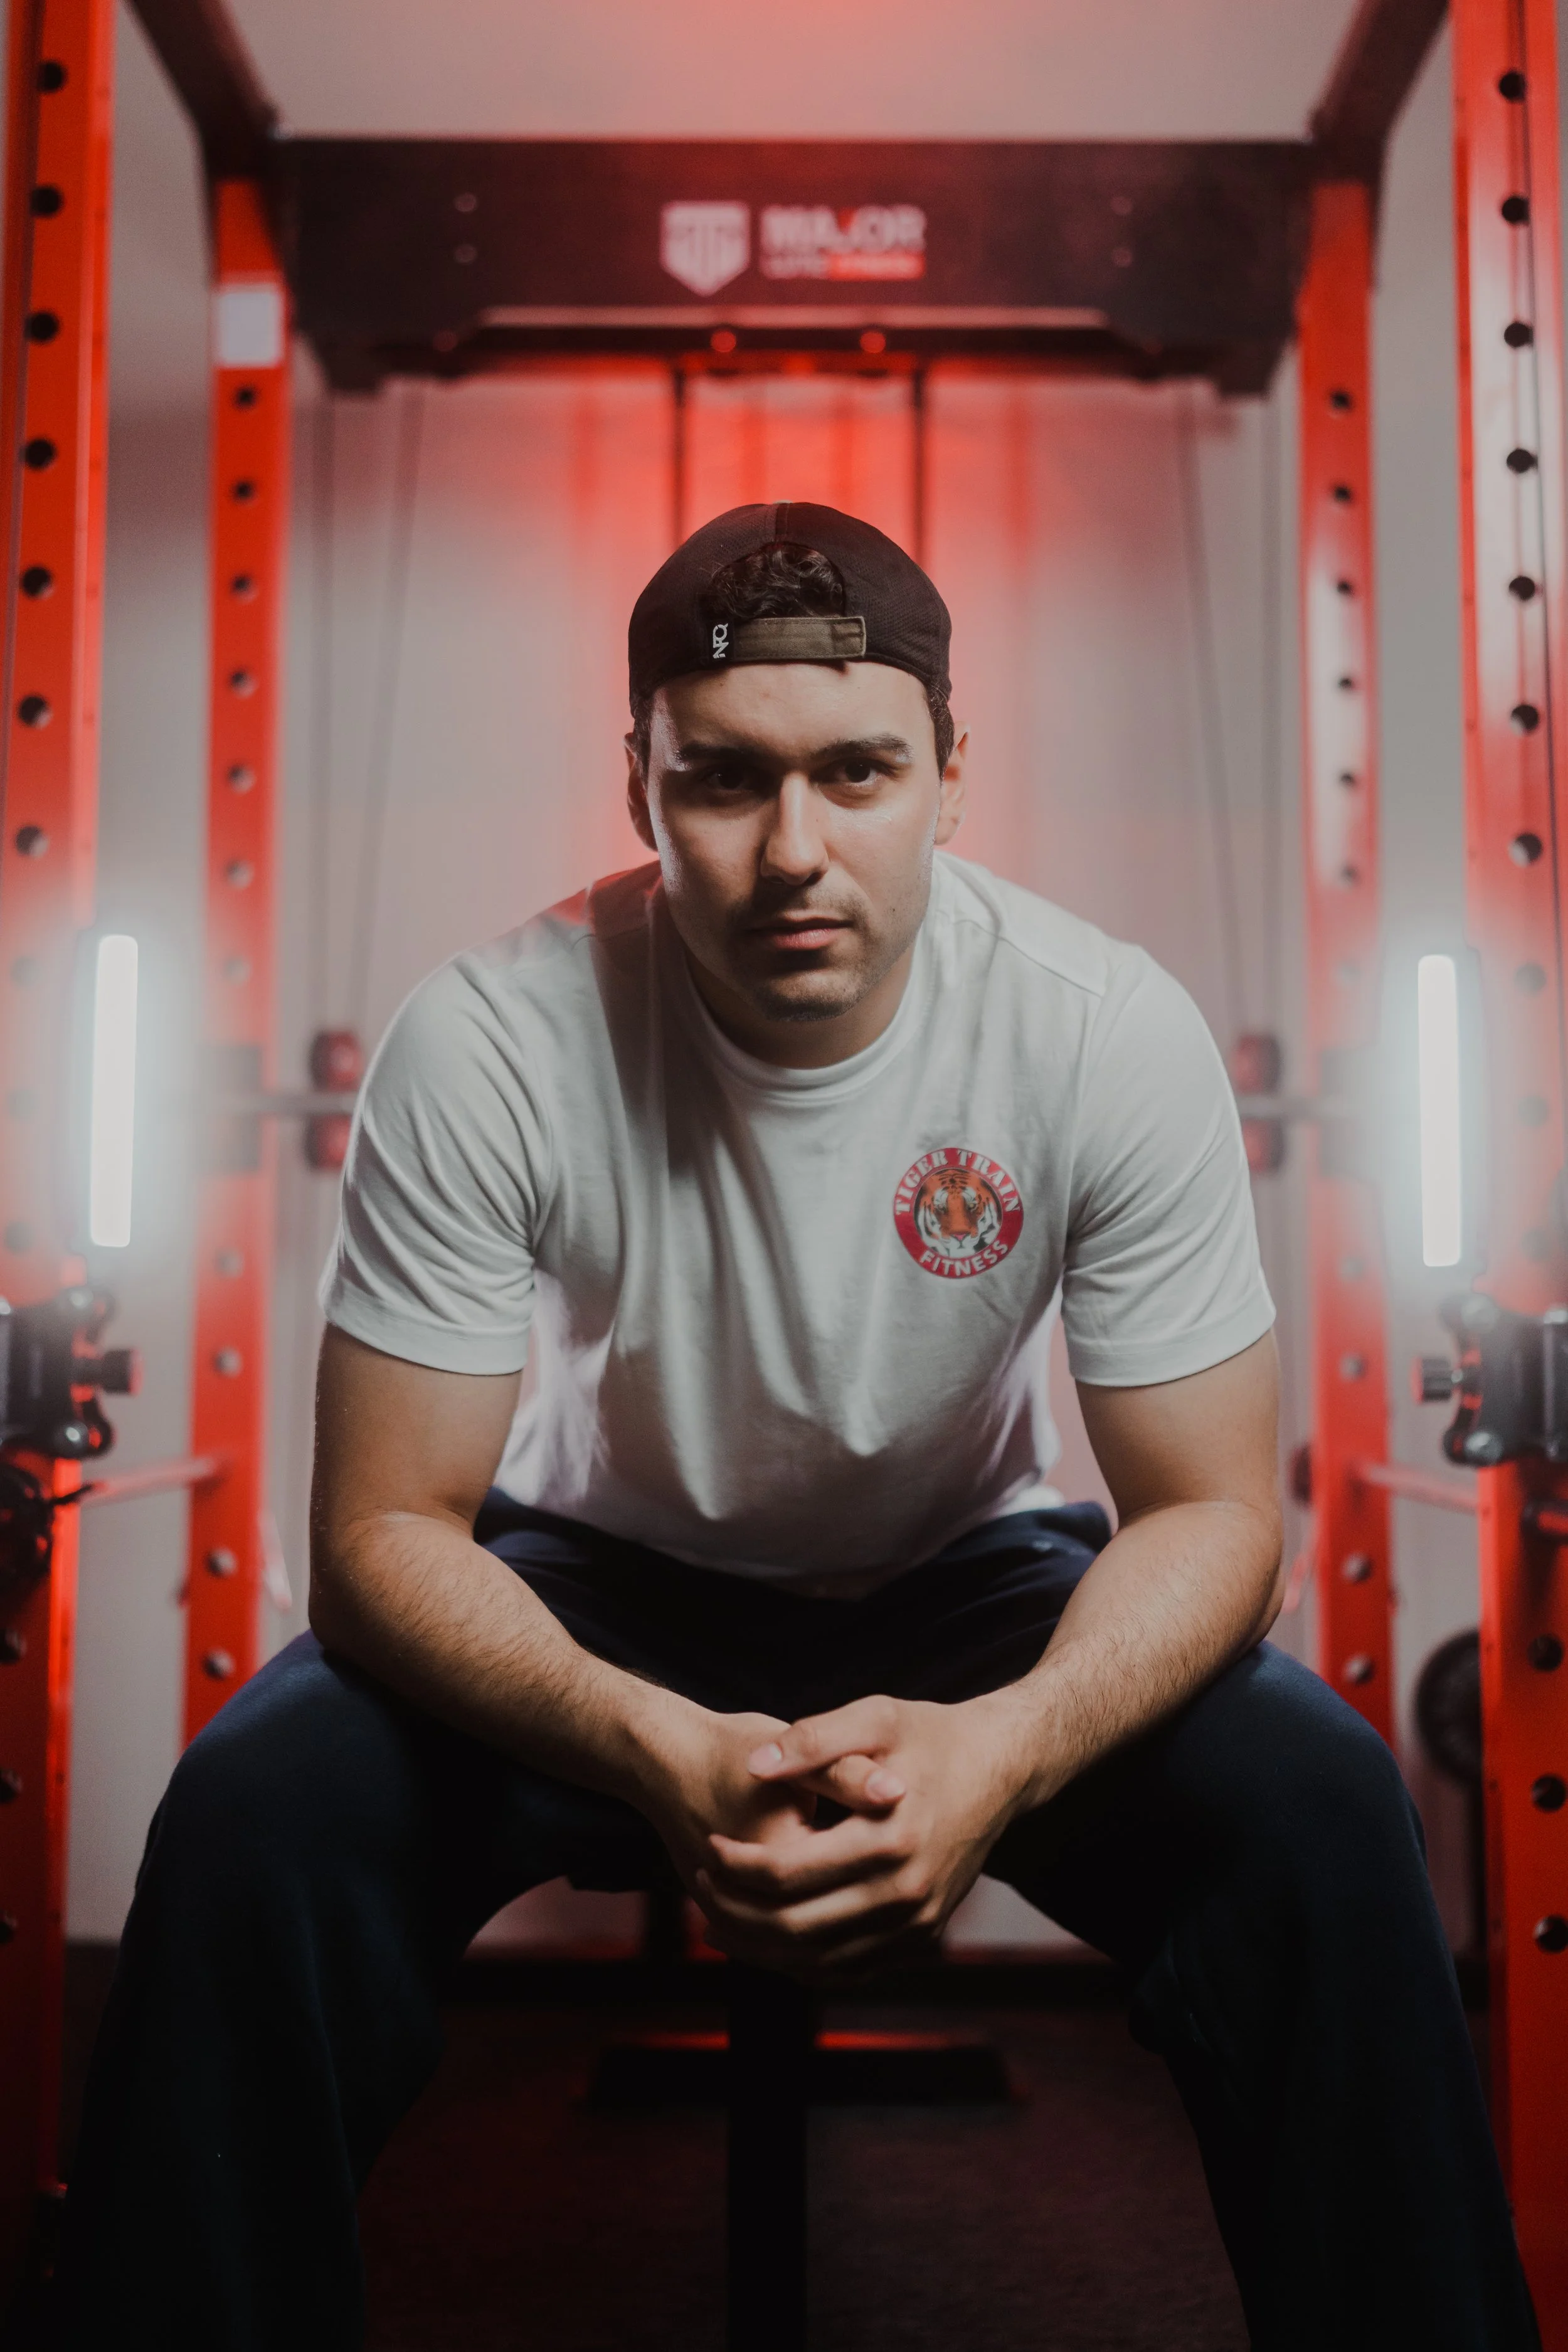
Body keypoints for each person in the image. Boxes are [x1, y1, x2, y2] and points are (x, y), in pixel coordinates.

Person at [62, 504, 1537, 2351]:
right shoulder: (492, 1037)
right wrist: (645, 1738)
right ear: (636, 782)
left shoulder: (1098, 1029)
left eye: (857, 772)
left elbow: (1212, 1519)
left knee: (1318, 1806)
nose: (793, 853)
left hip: (969, 1579)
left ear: (949, 776)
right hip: (595, 1579)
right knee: (256, 1817)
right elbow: (380, 1541)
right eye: (725, 780)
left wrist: (1001, 1748)